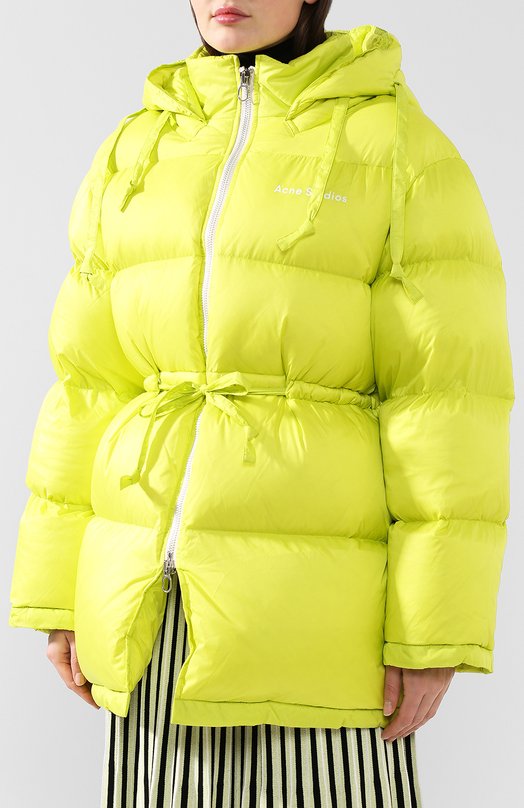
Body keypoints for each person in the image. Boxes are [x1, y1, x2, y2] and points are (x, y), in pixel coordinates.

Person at [8, 1, 514, 806]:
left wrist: (433, 630)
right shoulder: (141, 146)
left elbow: (447, 401)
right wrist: (58, 588)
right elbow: (88, 383)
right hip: (154, 603)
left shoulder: (397, 149)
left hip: (321, 617)